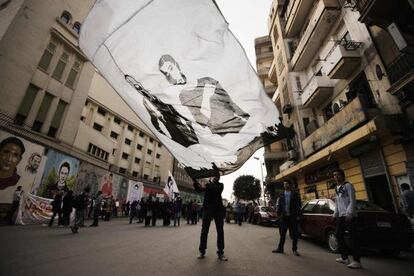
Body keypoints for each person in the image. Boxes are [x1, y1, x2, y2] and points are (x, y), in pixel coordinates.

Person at [158, 54, 250, 136]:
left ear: (176, 65)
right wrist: (206, 97)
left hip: (240, 126)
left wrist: (248, 119)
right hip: (223, 137)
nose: (172, 76)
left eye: (171, 68)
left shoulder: (208, 81)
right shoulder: (183, 95)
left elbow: (231, 103)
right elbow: (202, 121)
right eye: (167, 74)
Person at [125, 74, 199, 148]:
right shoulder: (145, 102)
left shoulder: (181, 145)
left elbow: (170, 112)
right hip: (172, 123)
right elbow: (154, 119)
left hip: (173, 124)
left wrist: (161, 130)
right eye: (131, 83)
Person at [193, 173, 227, 261]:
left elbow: (216, 190)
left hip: (218, 210)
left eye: (217, 177)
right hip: (207, 209)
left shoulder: (220, 185)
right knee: (204, 231)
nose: (216, 178)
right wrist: (194, 181)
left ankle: (221, 252)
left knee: (220, 231)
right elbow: (199, 189)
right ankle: (202, 251)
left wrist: (208, 184)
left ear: (219, 178)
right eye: (214, 176)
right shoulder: (208, 185)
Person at [332, 169, 361, 269]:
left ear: (342, 176)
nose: (336, 177)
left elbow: (352, 200)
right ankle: (344, 258)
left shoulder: (348, 185)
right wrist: (335, 213)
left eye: (338, 175)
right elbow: (337, 202)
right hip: (341, 215)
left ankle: (357, 261)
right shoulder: (336, 188)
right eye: (335, 175)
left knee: (353, 238)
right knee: (338, 235)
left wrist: (349, 213)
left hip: (349, 215)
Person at [273, 180, 301, 256]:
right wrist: (279, 213)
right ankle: (280, 248)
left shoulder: (295, 194)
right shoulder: (282, 194)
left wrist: (298, 215)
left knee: (294, 234)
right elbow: (280, 204)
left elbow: (298, 205)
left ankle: (295, 250)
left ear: (290, 185)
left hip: (293, 216)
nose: (285, 185)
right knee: (282, 234)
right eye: (284, 184)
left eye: (286, 184)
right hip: (284, 217)